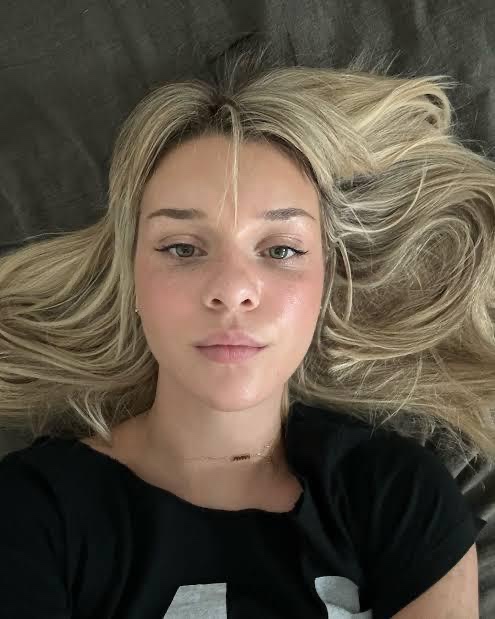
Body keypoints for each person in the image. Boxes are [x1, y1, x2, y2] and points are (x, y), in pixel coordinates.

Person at [0, 43, 492, 617]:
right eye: (182, 248)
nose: (232, 289)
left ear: (326, 283)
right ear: (132, 281)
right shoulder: (31, 510)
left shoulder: (400, 496)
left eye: (280, 250)